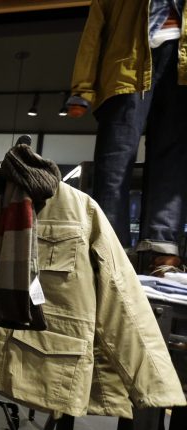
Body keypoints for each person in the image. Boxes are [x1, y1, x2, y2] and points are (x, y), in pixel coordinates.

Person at [67, 0, 186, 271]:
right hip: (126, 65)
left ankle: (162, 248)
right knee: (115, 161)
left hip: (181, 67)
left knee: (173, 161)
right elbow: (95, 26)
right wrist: (82, 88)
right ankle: (109, 249)